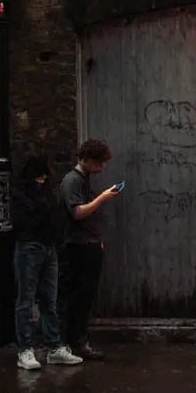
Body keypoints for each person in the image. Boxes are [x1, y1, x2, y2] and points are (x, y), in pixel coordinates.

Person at [12, 154, 82, 370]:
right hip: (29, 246)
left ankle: (53, 347)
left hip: (47, 246)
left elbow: (53, 217)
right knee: (26, 300)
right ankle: (25, 349)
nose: (42, 182)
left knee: (48, 300)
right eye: (40, 178)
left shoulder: (44, 193)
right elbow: (29, 219)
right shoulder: (22, 195)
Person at [59, 139, 119, 361]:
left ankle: (77, 341)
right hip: (78, 247)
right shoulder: (72, 181)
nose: (100, 168)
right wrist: (102, 198)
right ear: (85, 158)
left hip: (88, 244)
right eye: (97, 163)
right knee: (79, 296)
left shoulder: (82, 179)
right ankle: (75, 342)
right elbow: (77, 212)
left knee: (84, 296)